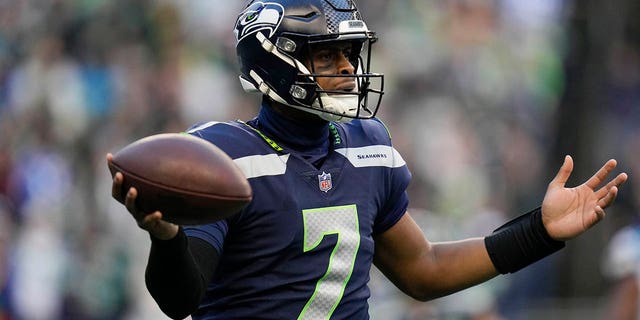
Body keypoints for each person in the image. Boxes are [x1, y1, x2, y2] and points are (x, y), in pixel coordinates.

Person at [106, 1, 628, 319]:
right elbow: (181, 300)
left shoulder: (368, 146)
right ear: (275, 60)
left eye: (351, 53)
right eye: (328, 55)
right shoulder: (222, 156)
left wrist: (540, 231)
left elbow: (423, 270)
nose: (348, 69)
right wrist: (167, 237)